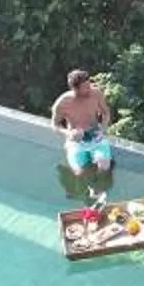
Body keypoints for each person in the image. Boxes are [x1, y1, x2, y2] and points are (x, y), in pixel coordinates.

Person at [51, 69, 113, 197]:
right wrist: (69, 133)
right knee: (78, 172)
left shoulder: (96, 94)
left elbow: (106, 112)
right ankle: (85, 188)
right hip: (76, 140)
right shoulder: (63, 102)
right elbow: (54, 125)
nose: (89, 88)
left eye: (89, 84)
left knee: (103, 165)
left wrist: (103, 128)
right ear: (75, 89)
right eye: (85, 87)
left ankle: (98, 188)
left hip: (96, 135)